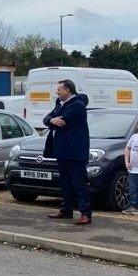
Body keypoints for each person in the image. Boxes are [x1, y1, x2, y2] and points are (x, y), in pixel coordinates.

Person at [43, 79, 92, 225]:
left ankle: (85, 213)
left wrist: (53, 121)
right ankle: (66, 210)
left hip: (75, 150)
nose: (57, 92)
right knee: (65, 183)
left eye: (59, 89)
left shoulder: (77, 105)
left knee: (79, 183)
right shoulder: (60, 103)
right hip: (62, 150)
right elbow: (47, 119)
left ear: (67, 90)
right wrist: (52, 120)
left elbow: (63, 122)